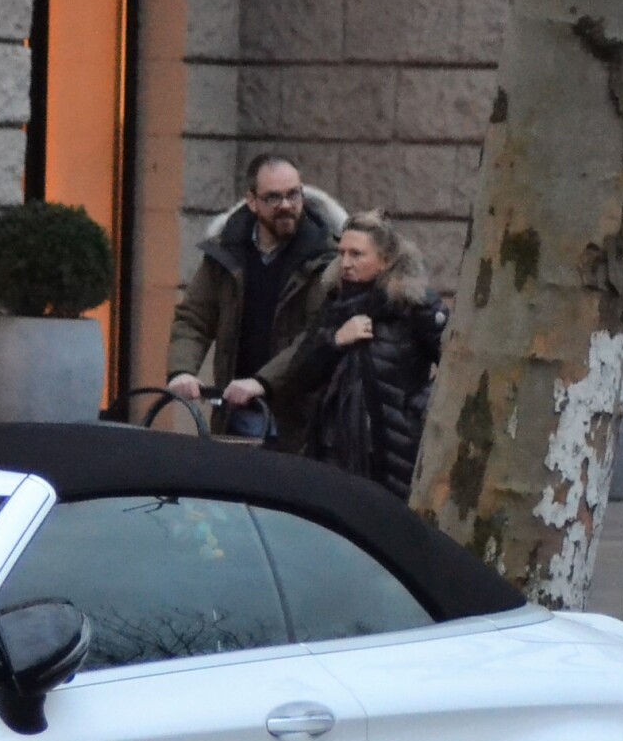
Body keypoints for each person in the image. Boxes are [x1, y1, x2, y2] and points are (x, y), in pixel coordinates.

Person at [165, 153, 343, 446]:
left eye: (293, 194)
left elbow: (315, 336)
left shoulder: (325, 259)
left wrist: (261, 382)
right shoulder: (226, 253)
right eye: (273, 197)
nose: (286, 205)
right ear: (252, 201)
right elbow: (194, 318)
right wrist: (182, 370)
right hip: (239, 413)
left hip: (303, 419)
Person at [275, 211, 449, 497]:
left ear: (385, 260)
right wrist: (336, 340)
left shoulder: (414, 306)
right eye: (341, 253)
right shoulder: (334, 303)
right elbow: (298, 377)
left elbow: (456, 369)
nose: (345, 263)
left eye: (356, 254)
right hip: (333, 452)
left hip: (394, 453)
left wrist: (417, 408)